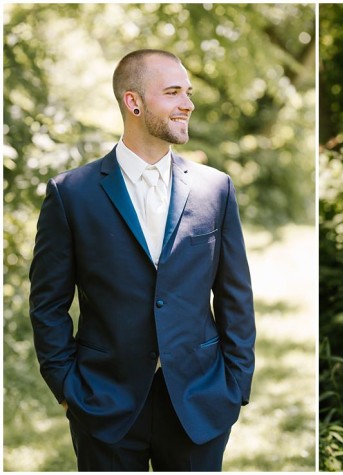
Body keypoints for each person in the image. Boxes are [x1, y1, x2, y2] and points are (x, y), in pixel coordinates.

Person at [28, 49, 256, 471]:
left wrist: (236, 384)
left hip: (199, 402)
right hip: (103, 402)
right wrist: (66, 388)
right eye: (173, 92)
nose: (187, 103)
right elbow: (47, 304)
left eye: (187, 92)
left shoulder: (215, 190)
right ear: (133, 102)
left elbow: (235, 298)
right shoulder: (71, 195)